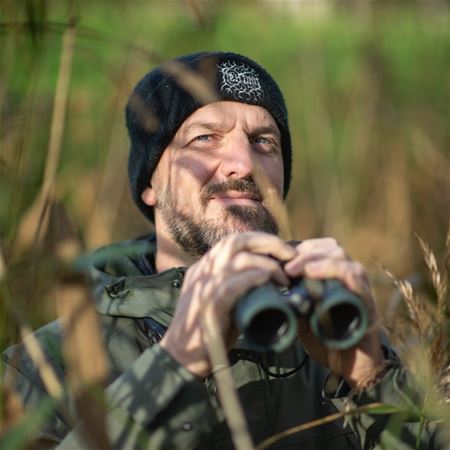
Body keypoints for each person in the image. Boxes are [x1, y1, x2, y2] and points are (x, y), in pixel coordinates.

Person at [2, 52, 441, 450]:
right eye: (205, 138)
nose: (244, 164)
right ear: (150, 184)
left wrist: (373, 381)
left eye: (264, 142)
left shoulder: (333, 330)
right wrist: (174, 362)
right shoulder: (46, 366)